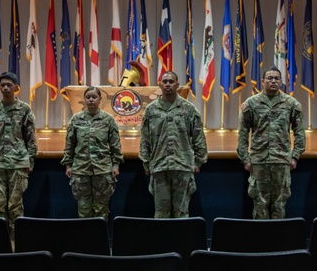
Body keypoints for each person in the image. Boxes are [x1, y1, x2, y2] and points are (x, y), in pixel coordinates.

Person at [237, 66, 306, 219]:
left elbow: (300, 133)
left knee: (279, 205)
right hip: (258, 161)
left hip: (281, 161)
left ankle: (277, 241)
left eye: (276, 78)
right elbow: (242, 134)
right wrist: (245, 159)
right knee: (259, 205)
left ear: (281, 81)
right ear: (262, 81)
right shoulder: (251, 104)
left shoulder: (292, 104)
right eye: (269, 78)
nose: (273, 81)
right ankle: (261, 242)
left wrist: (295, 156)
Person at [139, 71, 208, 218]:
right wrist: (146, 163)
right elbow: (145, 139)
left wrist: (198, 162)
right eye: (165, 82)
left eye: (171, 82)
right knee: (161, 213)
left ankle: (181, 242)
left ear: (177, 85)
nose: (168, 84)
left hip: (182, 166)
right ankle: (163, 242)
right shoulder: (151, 110)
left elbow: (198, 138)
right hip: (159, 166)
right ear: (160, 85)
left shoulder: (189, 109)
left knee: (181, 212)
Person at [0, 71, 37, 242]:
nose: (5, 88)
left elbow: (30, 138)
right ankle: (1, 241)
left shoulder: (24, 109)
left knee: (15, 206)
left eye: (9, 85)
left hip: (18, 163)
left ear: (16, 87)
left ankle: (16, 242)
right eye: (2, 85)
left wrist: (30, 160)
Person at [61, 86, 123, 219]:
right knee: (84, 210)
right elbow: (69, 144)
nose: (90, 100)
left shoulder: (108, 120)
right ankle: (86, 240)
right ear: (84, 99)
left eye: (94, 97)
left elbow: (115, 145)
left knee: (101, 210)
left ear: (100, 99)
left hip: (102, 170)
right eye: (88, 97)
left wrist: (116, 165)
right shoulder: (76, 119)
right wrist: (68, 164)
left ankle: (101, 240)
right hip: (81, 170)